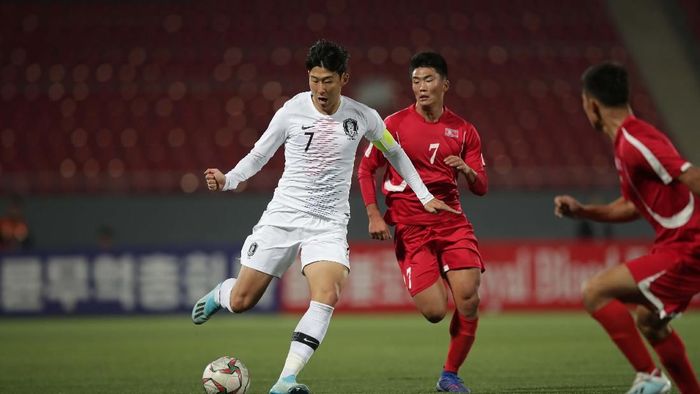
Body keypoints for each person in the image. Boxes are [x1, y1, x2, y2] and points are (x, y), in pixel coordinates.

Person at [191, 40, 457, 394]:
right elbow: (258, 155)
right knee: (242, 301)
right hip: (284, 216)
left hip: (329, 223)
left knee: (327, 293)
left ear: (343, 78)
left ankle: (285, 380)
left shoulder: (363, 116)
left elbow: (396, 154)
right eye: (314, 79)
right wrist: (229, 180)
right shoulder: (291, 111)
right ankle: (220, 294)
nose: (319, 88)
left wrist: (424, 196)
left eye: (328, 80)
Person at [554, 62, 700, 394]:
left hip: (688, 246)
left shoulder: (636, 140)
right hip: (675, 245)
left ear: (591, 105)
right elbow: (632, 205)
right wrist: (583, 211)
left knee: (595, 291)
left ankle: (649, 376)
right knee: (650, 323)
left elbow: (691, 176)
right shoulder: (627, 143)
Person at [357, 52, 488, 393]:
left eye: (428, 79)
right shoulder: (394, 125)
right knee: (434, 311)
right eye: (415, 81)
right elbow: (366, 168)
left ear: (445, 84)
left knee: (469, 299)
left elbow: (481, 187)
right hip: (411, 228)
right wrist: (373, 213)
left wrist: (468, 171)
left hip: (452, 222)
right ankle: (434, 274)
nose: (421, 87)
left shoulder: (464, 130)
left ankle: (450, 374)